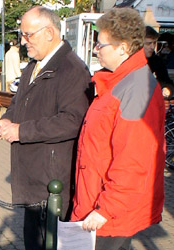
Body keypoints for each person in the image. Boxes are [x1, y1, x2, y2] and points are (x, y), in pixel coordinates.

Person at [0, 6, 91, 250]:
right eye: (22, 35)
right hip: (33, 179)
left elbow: (72, 121)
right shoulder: (33, 66)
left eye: (28, 35)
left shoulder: (72, 69)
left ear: (49, 32)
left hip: (52, 182)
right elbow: (18, 103)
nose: (23, 41)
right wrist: (7, 119)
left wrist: (21, 131)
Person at [70, 8, 165, 250]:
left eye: (100, 45)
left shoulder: (136, 88)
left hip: (108, 213)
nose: (95, 50)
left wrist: (105, 210)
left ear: (123, 48)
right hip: (97, 202)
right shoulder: (118, 82)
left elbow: (134, 160)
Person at [144, 26, 174, 97]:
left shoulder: (157, 61)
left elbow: (166, 81)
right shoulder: (129, 61)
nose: (152, 46)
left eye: (154, 43)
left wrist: (167, 89)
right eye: (149, 43)